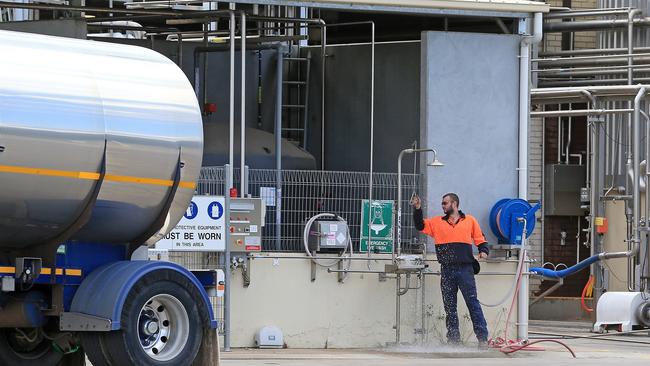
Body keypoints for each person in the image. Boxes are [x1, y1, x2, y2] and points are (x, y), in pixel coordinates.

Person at [411, 192, 489, 348]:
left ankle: (483, 339)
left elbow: (480, 239)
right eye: (442, 203)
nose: (442, 206)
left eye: (445, 203)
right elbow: (420, 225)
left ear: (454, 204)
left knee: (472, 303)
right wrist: (417, 208)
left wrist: (483, 251)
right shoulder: (437, 223)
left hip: (465, 269)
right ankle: (453, 340)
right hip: (447, 270)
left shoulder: (470, 220)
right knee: (450, 307)